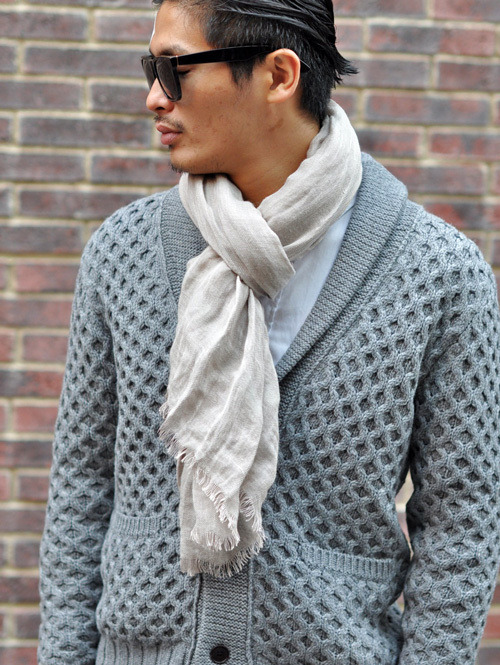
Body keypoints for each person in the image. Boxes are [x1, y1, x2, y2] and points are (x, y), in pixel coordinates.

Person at [38, 0, 500, 664]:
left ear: (279, 75)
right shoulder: (121, 254)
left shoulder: (438, 274)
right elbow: (81, 491)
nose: (153, 97)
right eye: (150, 69)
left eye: (174, 70)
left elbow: (462, 523)